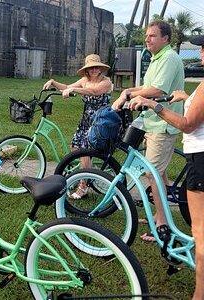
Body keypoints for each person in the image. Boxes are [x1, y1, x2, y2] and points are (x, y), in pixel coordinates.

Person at [129, 34, 204, 300]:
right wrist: (186, 95)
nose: (203, 52)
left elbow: (187, 124)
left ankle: (199, 294)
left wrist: (155, 107)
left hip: (199, 159)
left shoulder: (174, 60)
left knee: (200, 235)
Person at [112, 20, 184, 242]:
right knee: (158, 174)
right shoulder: (156, 58)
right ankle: (159, 214)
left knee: (150, 174)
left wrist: (130, 95)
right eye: (147, 36)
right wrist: (127, 92)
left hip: (162, 125)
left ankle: (163, 223)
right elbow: (145, 88)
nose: (147, 39)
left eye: (152, 35)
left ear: (165, 38)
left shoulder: (169, 58)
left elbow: (157, 90)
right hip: (152, 122)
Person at [43, 54, 113, 199]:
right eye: (90, 68)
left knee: (84, 152)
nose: (94, 70)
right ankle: (87, 174)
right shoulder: (84, 80)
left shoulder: (106, 82)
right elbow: (67, 87)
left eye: (96, 67)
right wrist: (53, 82)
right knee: (76, 147)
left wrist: (74, 90)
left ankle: (83, 185)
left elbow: (94, 92)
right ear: (86, 70)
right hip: (86, 120)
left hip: (100, 121)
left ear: (100, 68)